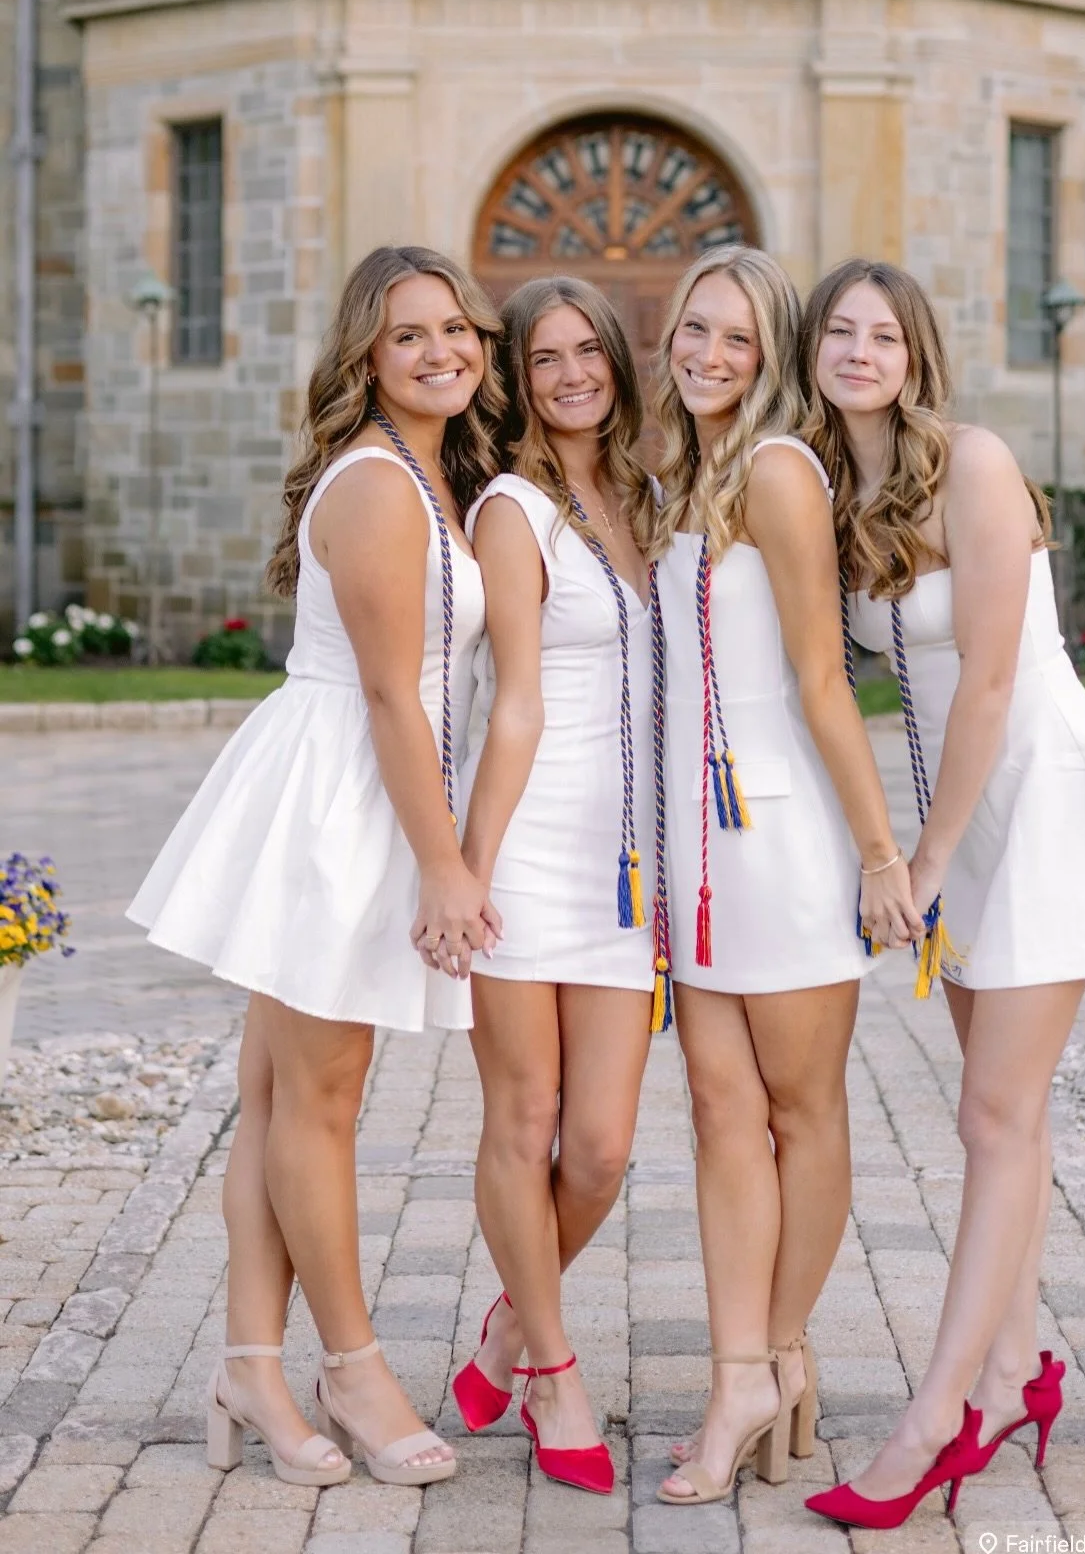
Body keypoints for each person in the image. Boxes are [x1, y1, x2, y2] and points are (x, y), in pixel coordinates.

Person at [801, 258, 1085, 1531]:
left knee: (990, 1118)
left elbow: (992, 685)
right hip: (952, 810)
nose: (860, 351)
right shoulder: (835, 487)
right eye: (840, 331)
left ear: (918, 355)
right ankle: (1018, 1374)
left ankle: (936, 1416)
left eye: (884, 334)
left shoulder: (974, 463)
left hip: (1034, 804)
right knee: (1005, 1119)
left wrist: (926, 855)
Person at [128, 245, 505, 1489]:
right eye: (410, 335)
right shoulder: (384, 487)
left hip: (355, 781)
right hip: (337, 801)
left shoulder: (434, 473)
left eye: (459, 327)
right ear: (365, 356)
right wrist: (445, 869)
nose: (443, 348)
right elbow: (396, 694)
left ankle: (250, 1363)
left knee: (280, 1097)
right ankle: (350, 1365)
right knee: (323, 1101)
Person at [649, 245, 923, 1508]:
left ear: (771, 362)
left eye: (740, 341)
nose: (709, 354)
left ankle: (774, 1353)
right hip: (695, 849)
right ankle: (748, 1367)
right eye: (695, 330)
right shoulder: (685, 473)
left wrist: (881, 854)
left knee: (801, 1112)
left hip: (783, 838)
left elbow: (824, 678)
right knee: (718, 1115)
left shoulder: (776, 470)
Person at [449, 276, 658, 1495]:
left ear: (616, 366)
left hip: (624, 869)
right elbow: (513, 704)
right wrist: (471, 872)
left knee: (602, 1149)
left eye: (590, 351)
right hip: (527, 853)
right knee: (524, 1125)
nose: (573, 372)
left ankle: (509, 1325)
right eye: (546, 357)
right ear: (518, 380)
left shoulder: (645, 497)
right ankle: (555, 1371)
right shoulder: (512, 512)